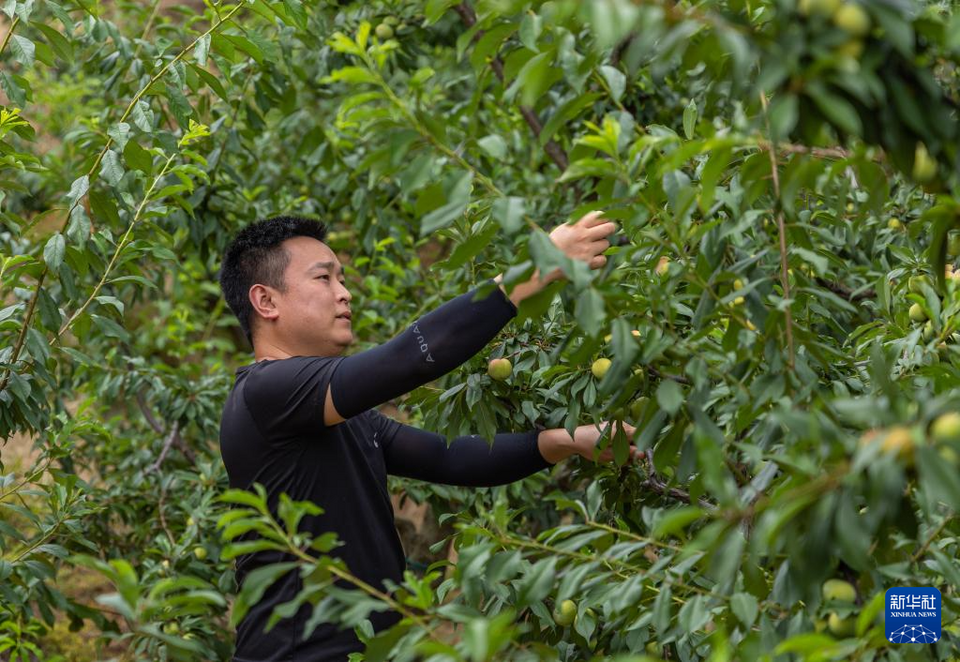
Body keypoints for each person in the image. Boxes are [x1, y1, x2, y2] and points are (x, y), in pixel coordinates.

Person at [216, 211, 640, 661]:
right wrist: (535, 269)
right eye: (324, 279)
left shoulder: (337, 416)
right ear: (266, 301)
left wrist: (565, 440)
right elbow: (409, 357)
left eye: (342, 278)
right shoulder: (265, 392)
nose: (344, 293)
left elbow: (449, 458)